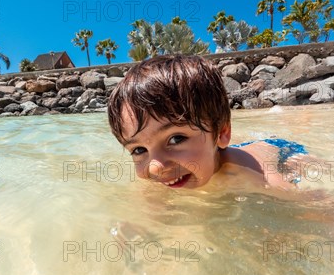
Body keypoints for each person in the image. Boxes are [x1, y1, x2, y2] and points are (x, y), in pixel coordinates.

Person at [107, 55, 308, 191]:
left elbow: (314, 210)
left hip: (282, 150)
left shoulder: (260, 178)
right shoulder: (167, 171)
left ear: (221, 132)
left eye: (176, 139)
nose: (155, 169)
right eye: (139, 150)